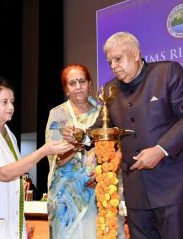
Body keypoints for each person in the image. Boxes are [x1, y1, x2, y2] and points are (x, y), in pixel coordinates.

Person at [98, 31, 183, 238]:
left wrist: (160, 150)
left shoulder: (167, 72)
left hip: (173, 186)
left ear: (136, 53)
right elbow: (103, 128)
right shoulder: (110, 89)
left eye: (118, 59)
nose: (113, 66)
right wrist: (80, 137)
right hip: (136, 192)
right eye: (109, 61)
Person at [0, 76, 73, 239]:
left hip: (6, 219)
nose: (11, 107)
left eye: (12, 101)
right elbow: (4, 174)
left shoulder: (9, 135)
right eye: (4, 102)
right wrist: (42, 152)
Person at [45, 64, 127, 239]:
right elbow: (55, 159)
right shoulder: (58, 115)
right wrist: (76, 144)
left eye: (82, 81)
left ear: (90, 84)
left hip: (100, 189)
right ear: (66, 89)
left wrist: (102, 173)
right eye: (72, 83)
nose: (78, 87)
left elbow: (117, 150)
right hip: (67, 196)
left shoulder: (105, 113)